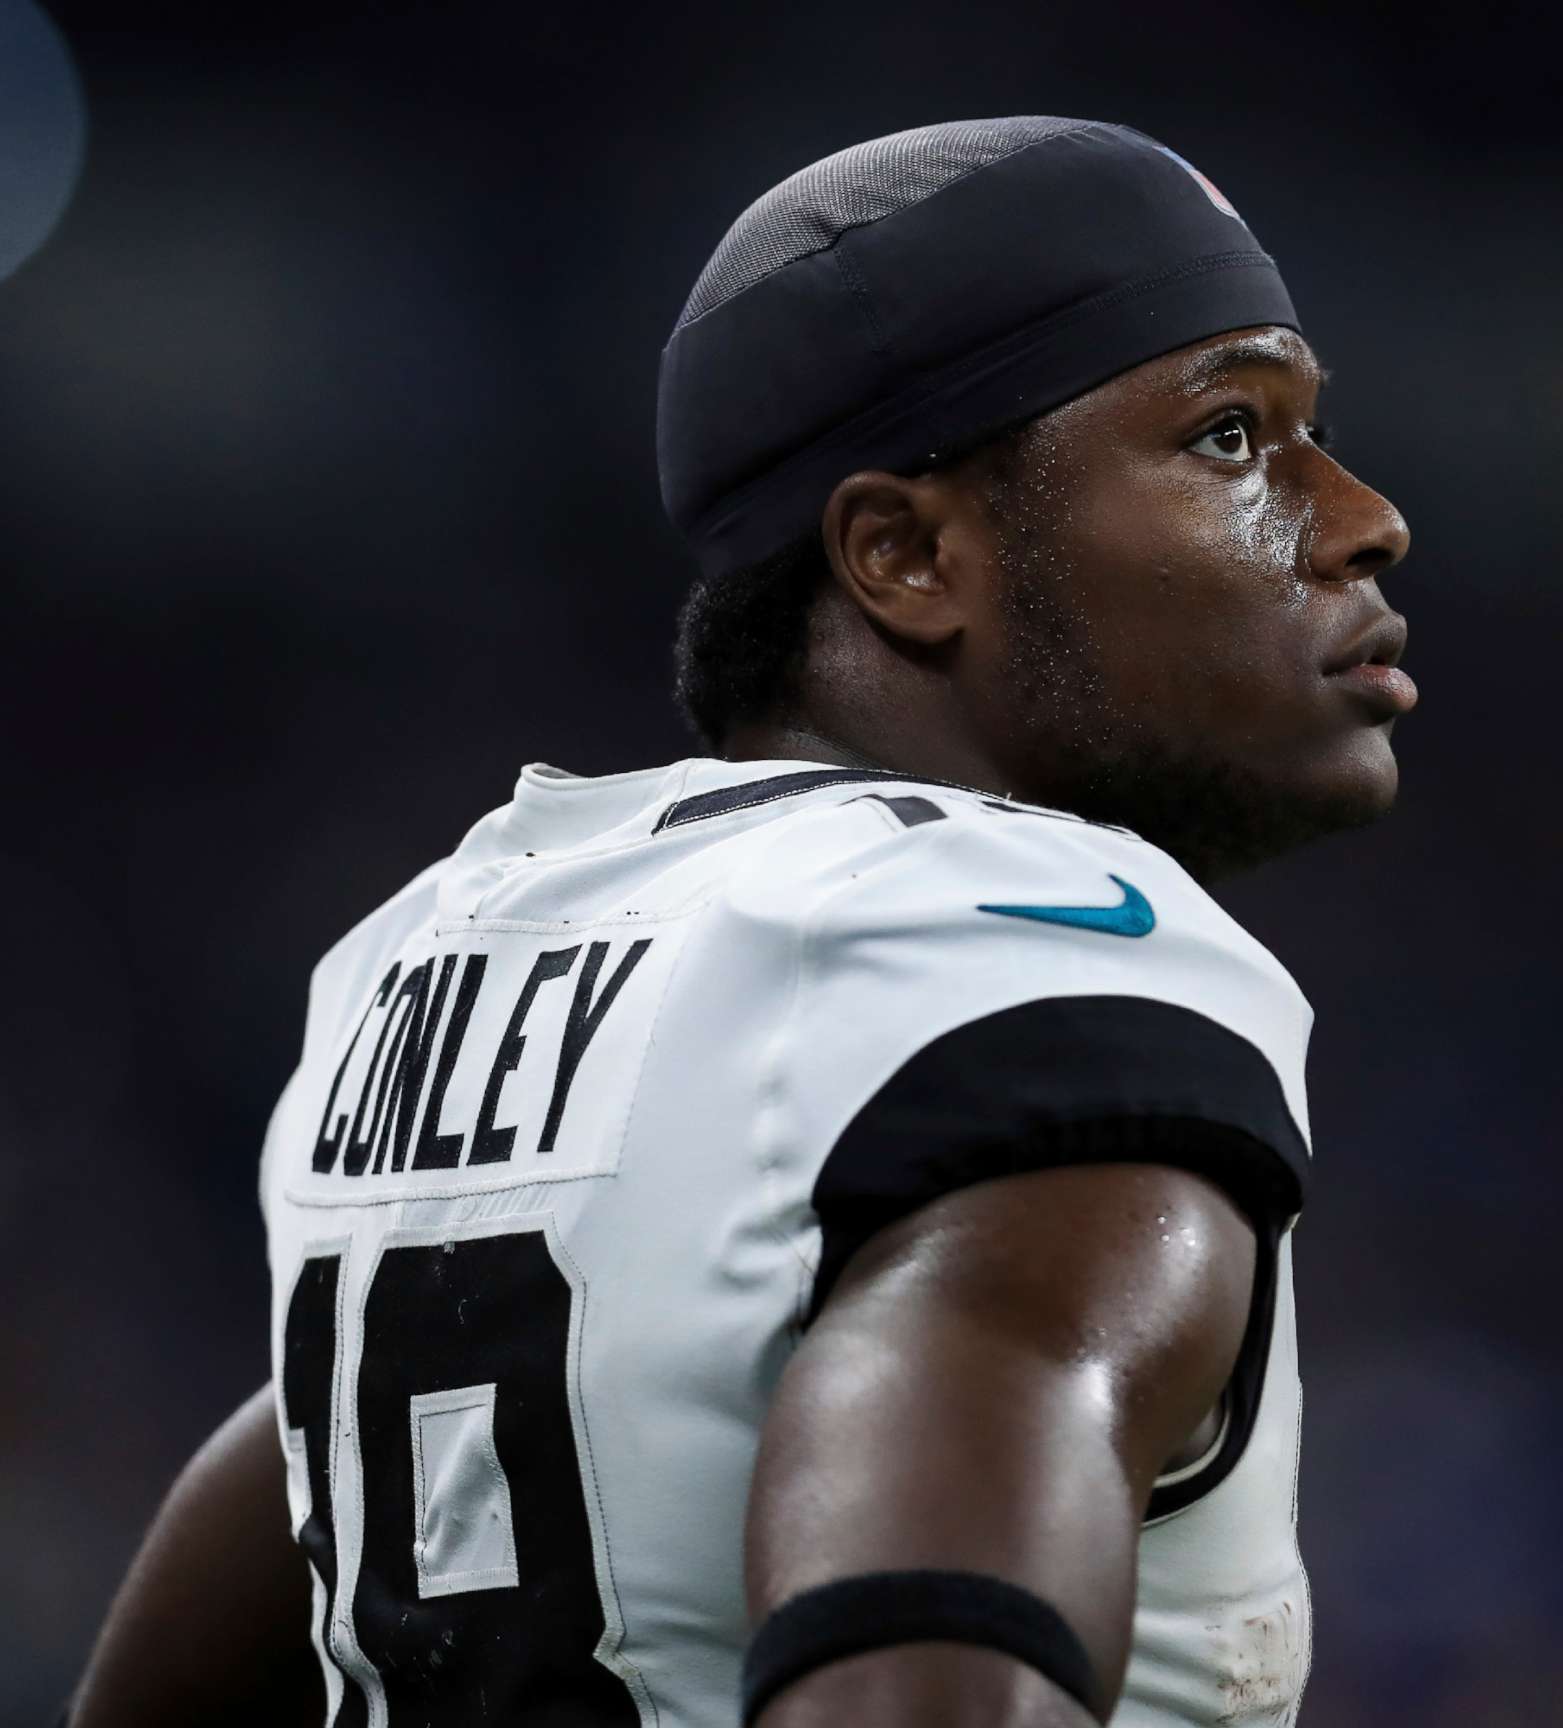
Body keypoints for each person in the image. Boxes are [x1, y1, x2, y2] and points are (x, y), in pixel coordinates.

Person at [66, 115, 1411, 1728]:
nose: (1360, 516)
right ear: (908, 557)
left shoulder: (448, 941)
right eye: (1228, 437)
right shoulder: (1014, 954)